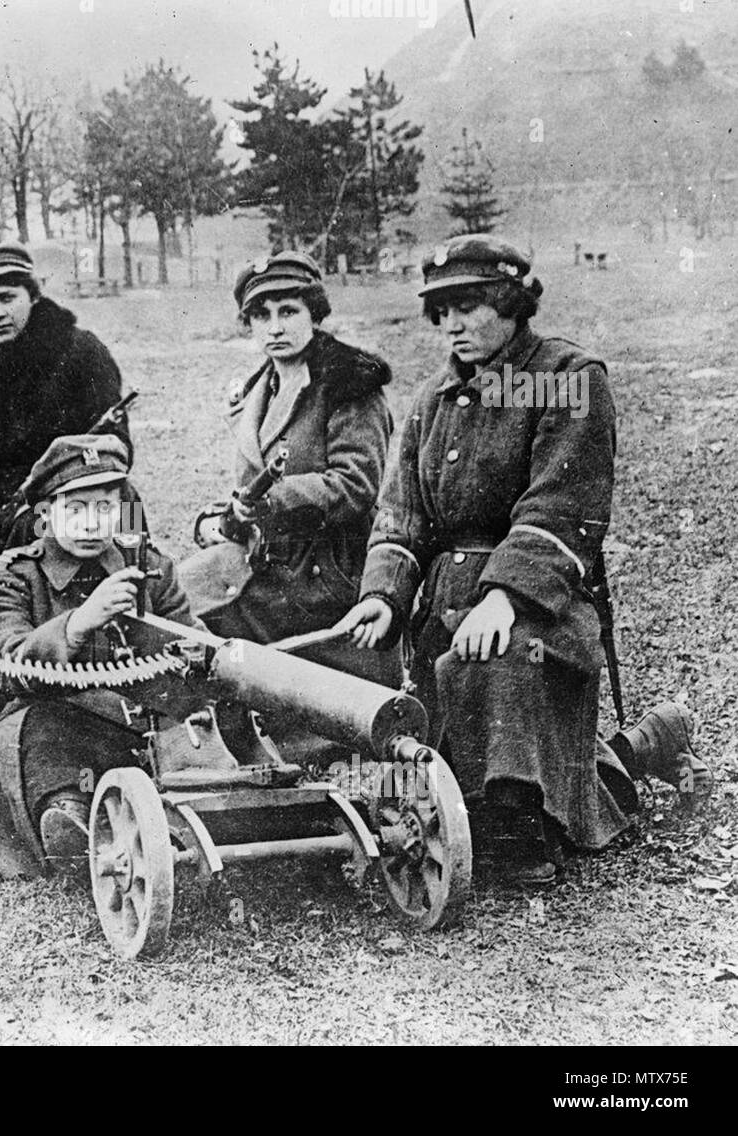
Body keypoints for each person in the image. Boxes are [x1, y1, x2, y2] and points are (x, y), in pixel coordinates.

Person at [336, 234, 712, 885]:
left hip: (543, 609)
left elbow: (564, 508)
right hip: (444, 615)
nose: (451, 324)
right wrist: (383, 593)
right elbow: (401, 516)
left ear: (512, 304)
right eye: (441, 310)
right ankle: (643, 744)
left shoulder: (567, 380)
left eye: (468, 305)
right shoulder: (431, 401)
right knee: (413, 754)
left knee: (498, 670)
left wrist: (503, 596)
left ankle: (518, 826)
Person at [0, 434, 200, 879]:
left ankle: (186, 811)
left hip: (145, 719)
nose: (93, 524)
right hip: (62, 725)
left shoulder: (149, 566)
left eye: (105, 508)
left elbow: (192, 636)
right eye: (75, 511)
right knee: (39, 731)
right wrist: (77, 623)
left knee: (206, 720)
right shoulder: (16, 573)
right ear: (46, 513)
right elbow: (5, 661)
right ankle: (68, 819)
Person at [181, 250, 401, 691]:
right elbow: (249, 484)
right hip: (267, 559)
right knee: (174, 601)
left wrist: (267, 504)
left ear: (314, 313)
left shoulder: (348, 381)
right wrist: (227, 515)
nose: (275, 327)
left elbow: (355, 485)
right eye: (261, 315)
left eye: (288, 311)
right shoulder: (256, 388)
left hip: (329, 569)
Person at [0, 243, 134, 556]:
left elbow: (117, 448)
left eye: (8, 297)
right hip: (12, 513)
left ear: (32, 296)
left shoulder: (82, 352)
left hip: (88, 498)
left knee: (131, 530)